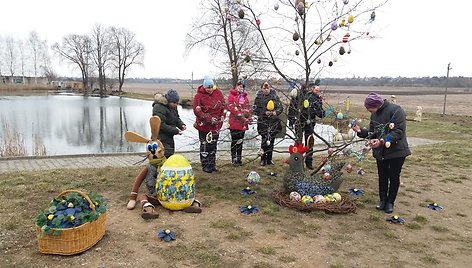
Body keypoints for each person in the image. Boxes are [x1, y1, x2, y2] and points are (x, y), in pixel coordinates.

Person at [352, 92, 411, 214]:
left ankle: (390, 202)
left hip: (396, 151)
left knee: (394, 177)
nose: (369, 111)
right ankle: (382, 200)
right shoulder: (374, 115)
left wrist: (382, 141)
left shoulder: (396, 110)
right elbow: (372, 132)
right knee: (382, 176)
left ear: (376, 104)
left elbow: (398, 131)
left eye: (369, 108)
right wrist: (359, 131)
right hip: (381, 152)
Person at [193, 75, 226, 173]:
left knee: (213, 145)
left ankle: (212, 164)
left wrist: (222, 115)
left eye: (211, 87)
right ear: (204, 86)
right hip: (204, 126)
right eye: (208, 87)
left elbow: (223, 105)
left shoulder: (218, 93)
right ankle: (205, 165)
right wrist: (209, 118)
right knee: (205, 145)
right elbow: (197, 111)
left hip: (215, 126)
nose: (210, 89)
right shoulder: (198, 96)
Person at [288, 81, 325, 170]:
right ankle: (296, 162)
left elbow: (320, 113)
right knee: (298, 142)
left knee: (309, 143)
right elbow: (292, 107)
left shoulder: (316, 98)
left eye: (314, 88)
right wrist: (291, 119)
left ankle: (308, 162)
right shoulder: (298, 96)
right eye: (311, 87)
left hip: (310, 123)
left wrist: (322, 111)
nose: (313, 89)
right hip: (299, 122)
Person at [253, 81, 283, 166]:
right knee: (264, 141)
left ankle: (269, 159)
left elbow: (280, 108)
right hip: (263, 122)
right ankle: (263, 159)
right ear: (262, 88)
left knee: (271, 141)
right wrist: (264, 112)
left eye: (268, 88)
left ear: (270, 88)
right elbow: (255, 110)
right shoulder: (258, 98)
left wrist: (275, 112)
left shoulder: (275, 97)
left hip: (273, 122)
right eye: (264, 88)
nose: (266, 90)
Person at [152, 89, 186, 158]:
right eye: (174, 103)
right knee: (161, 157)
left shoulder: (173, 107)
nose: (176, 105)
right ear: (168, 101)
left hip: (169, 137)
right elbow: (161, 125)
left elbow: (176, 118)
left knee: (170, 155)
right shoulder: (158, 107)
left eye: (177, 102)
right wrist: (175, 131)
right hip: (160, 137)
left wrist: (181, 125)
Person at [227, 80, 252, 166]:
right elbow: (232, 108)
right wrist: (242, 117)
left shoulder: (245, 97)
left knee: (240, 141)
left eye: (242, 86)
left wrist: (249, 118)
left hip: (243, 124)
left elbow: (248, 109)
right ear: (236, 86)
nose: (241, 88)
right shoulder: (231, 96)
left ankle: (239, 158)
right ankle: (234, 159)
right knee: (234, 141)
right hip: (234, 123)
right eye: (239, 86)